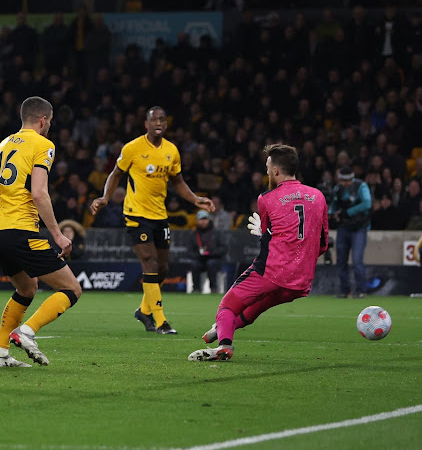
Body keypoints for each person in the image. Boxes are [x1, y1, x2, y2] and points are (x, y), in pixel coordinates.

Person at [188, 144, 328, 361]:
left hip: (270, 272)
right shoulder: (318, 197)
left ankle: (225, 345)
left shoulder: (266, 198)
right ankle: (222, 328)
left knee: (227, 306)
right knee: (253, 310)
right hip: (300, 280)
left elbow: (268, 236)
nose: (266, 172)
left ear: (276, 171)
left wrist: (267, 234)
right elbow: (322, 243)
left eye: (267, 167)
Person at [91, 106, 214, 335]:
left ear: (166, 125)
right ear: (145, 124)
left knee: (163, 268)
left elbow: (178, 181)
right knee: (150, 262)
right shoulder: (133, 148)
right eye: (153, 119)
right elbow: (116, 174)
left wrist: (195, 199)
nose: (158, 122)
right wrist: (106, 197)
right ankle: (161, 321)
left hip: (160, 215)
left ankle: (144, 311)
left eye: (162, 120)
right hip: (136, 214)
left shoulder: (171, 151)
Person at [0, 96, 82, 368]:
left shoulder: (1, 146)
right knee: (71, 288)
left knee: (27, 288)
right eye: (49, 121)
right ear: (43, 120)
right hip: (21, 230)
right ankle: (26, 332)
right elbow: (39, 193)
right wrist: (58, 234)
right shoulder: (43, 145)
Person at [329, 166, 371, 298]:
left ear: (352, 179)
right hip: (343, 228)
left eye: (347, 181)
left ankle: (361, 290)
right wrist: (331, 213)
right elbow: (334, 205)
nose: (344, 184)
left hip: (359, 228)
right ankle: (345, 290)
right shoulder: (338, 189)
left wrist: (348, 212)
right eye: (342, 181)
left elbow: (367, 203)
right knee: (341, 260)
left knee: (357, 260)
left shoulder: (361, 186)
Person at [189, 210, 227, 293]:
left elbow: (224, 249)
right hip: (199, 259)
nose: (203, 222)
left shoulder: (217, 233)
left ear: (209, 220)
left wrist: (211, 252)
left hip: (214, 258)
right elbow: (190, 251)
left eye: (205, 219)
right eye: (201, 219)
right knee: (194, 264)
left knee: (211, 263)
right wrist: (199, 254)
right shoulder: (194, 234)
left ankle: (213, 288)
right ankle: (196, 289)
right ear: (197, 220)